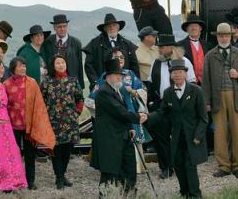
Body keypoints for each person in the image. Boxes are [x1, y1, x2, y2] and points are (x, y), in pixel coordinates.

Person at [202, 22, 238, 179]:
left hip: (236, 96)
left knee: (237, 132)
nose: (224, 38)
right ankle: (223, 165)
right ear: (217, 37)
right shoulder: (210, 55)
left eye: (226, 35)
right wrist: (206, 102)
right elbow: (206, 81)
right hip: (217, 98)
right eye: (221, 35)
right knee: (220, 133)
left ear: (231, 36)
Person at [151, 59, 208, 198]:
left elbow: (203, 118)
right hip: (176, 136)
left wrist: (197, 137)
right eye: (174, 73)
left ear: (186, 74)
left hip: (192, 136)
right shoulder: (168, 92)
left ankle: (195, 194)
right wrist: (147, 117)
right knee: (178, 164)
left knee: (190, 165)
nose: (177, 75)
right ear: (171, 75)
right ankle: (184, 192)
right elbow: (161, 112)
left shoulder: (196, 91)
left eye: (180, 72)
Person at [91, 59, 146, 196]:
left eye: (121, 75)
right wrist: (137, 118)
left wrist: (130, 127)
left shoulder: (116, 90)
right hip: (110, 138)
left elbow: (121, 112)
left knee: (128, 168)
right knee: (110, 172)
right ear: (108, 76)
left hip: (123, 135)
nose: (119, 77)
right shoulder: (104, 92)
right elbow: (119, 111)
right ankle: (106, 196)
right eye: (117, 75)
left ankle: (129, 194)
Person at [146, 34, 196, 179]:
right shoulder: (155, 63)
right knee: (161, 138)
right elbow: (150, 84)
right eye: (159, 47)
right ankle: (165, 167)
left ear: (171, 48)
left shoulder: (184, 62)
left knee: (180, 137)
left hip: (179, 105)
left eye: (162, 47)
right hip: (160, 105)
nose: (160, 50)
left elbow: (192, 84)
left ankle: (181, 164)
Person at [4, 57, 56, 189]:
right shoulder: (6, 84)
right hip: (12, 126)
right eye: (20, 66)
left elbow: (39, 105)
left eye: (24, 66)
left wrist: (37, 123)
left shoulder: (32, 82)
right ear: (13, 68)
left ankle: (30, 181)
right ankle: (14, 180)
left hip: (29, 125)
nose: (23, 68)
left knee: (30, 155)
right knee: (12, 155)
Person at [0, 60, 28, 191]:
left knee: (9, 153)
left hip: (6, 124)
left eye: (2, 68)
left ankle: (11, 180)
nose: (1, 70)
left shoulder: (1, 85)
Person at [41, 54, 84, 189]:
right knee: (56, 150)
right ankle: (59, 178)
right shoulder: (47, 82)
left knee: (67, 150)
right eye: (57, 63)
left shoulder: (73, 80)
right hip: (53, 122)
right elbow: (41, 101)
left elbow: (80, 98)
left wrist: (76, 113)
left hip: (70, 122)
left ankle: (62, 174)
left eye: (63, 62)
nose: (60, 65)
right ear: (53, 66)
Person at [84, 13, 139, 90]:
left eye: (114, 25)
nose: (111, 28)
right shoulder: (94, 44)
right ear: (105, 29)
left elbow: (134, 66)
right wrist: (96, 83)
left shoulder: (127, 44)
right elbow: (88, 66)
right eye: (109, 26)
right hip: (102, 87)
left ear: (118, 27)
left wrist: (133, 85)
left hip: (125, 87)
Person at [41, 14, 85, 89]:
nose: (62, 29)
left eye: (64, 26)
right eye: (59, 27)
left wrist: (81, 85)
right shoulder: (48, 41)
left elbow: (79, 65)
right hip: (52, 83)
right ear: (54, 28)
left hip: (71, 83)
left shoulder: (76, 43)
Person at [177, 15, 211, 85]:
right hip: (188, 83)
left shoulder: (207, 45)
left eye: (196, 25)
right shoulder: (179, 45)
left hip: (205, 83)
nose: (193, 28)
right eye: (190, 26)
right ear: (187, 29)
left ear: (200, 28)